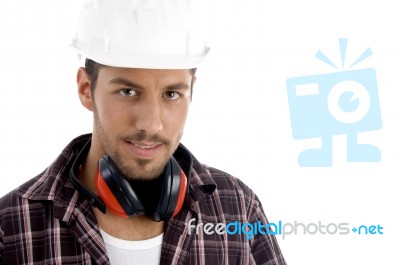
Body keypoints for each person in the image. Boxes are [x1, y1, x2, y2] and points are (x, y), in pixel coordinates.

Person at [0, 0, 286, 264]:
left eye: (171, 94)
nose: (151, 124)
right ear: (87, 90)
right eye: (128, 91)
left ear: (191, 93)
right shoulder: (10, 226)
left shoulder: (237, 206)